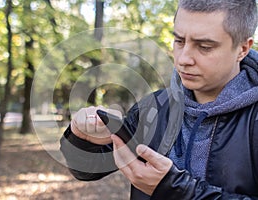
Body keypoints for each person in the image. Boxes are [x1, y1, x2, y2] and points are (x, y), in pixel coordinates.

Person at [60, 0, 258, 199]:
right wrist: (81, 136)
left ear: (242, 48)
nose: (183, 59)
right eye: (179, 41)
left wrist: (176, 190)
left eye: (204, 47)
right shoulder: (152, 108)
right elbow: (86, 169)